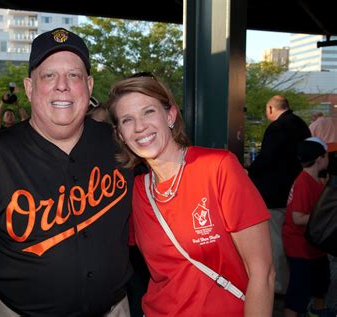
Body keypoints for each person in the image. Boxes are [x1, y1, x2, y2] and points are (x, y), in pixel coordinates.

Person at [0, 27, 134, 316]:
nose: (62, 85)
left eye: (74, 75)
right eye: (49, 75)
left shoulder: (119, 143)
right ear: (29, 87)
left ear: (90, 86)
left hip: (114, 310)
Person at [106, 74, 275, 316]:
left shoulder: (217, 168)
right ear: (121, 135)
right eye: (127, 120)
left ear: (170, 115)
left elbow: (263, 272)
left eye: (149, 112)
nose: (140, 126)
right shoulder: (135, 192)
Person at [247, 95, 311, 294]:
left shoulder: (276, 128)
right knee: (294, 238)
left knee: (275, 241)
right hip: (297, 190)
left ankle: (279, 286)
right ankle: (296, 282)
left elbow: (267, 159)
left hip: (274, 194)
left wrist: (251, 169)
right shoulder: (300, 125)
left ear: (270, 108)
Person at [282, 137, 333, 317]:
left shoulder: (314, 180)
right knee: (299, 290)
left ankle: (318, 310)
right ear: (319, 159)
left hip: (314, 245)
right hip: (300, 247)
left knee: (321, 281)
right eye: (327, 156)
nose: (329, 159)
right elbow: (297, 218)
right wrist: (326, 218)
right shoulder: (303, 182)